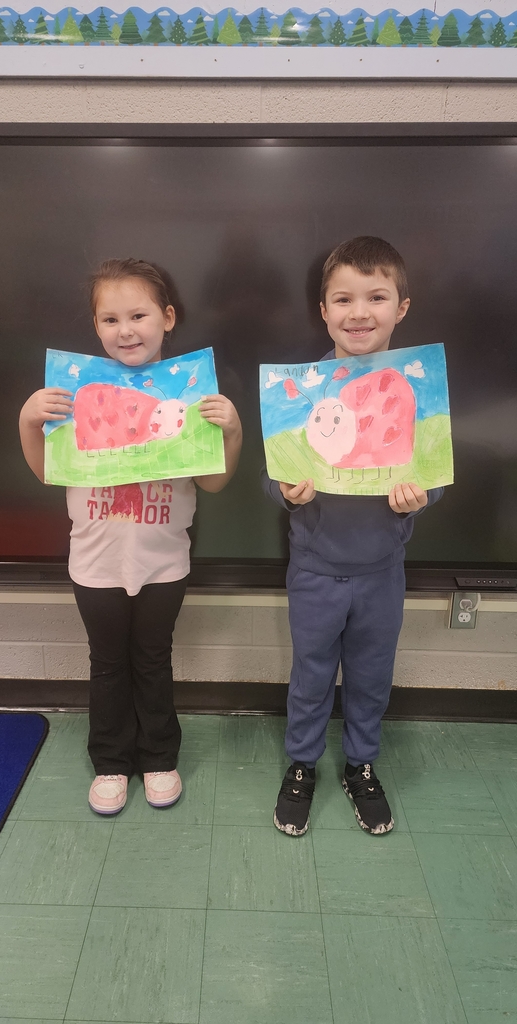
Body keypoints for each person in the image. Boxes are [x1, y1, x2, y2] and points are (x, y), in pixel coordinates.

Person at [19, 258, 242, 815]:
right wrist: (28, 420)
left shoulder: (188, 398)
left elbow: (214, 482)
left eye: (139, 314)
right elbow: (49, 472)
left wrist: (232, 431)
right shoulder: (76, 393)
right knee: (107, 664)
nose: (126, 329)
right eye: (110, 318)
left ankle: (159, 757)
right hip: (94, 564)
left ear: (167, 318)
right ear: (96, 327)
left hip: (164, 563)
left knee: (153, 660)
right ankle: (112, 763)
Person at [265, 236, 444, 837]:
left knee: (371, 675)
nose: (358, 312)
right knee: (312, 675)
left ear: (402, 307)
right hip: (315, 569)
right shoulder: (301, 390)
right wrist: (287, 491)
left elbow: (434, 473)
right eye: (342, 299)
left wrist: (422, 494)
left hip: (381, 572)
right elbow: (276, 473)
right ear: (323, 311)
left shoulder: (421, 391)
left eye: (376, 297)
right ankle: (302, 764)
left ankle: (361, 764)